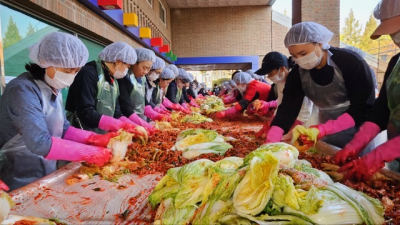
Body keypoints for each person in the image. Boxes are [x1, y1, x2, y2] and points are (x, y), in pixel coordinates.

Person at [0, 32, 114, 191]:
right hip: (17, 177)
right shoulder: (22, 90)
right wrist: (89, 153)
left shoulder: (53, 87)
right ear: (45, 62)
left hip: (46, 173)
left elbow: (64, 128)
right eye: (67, 71)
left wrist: (94, 138)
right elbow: (40, 143)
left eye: (76, 71)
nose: (71, 76)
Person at [265, 22, 375, 149]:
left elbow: (363, 107)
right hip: (324, 128)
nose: (299, 59)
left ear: (320, 43)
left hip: (357, 127)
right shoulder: (298, 74)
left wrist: (326, 128)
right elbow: (288, 108)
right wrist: (273, 137)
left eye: (303, 53)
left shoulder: (351, 62)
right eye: (294, 56)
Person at [335, 0, 400, 181]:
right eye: (393, 33)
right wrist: (357, 143)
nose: (395, 38)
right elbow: (381, 111)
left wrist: (379, 154)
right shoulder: (396, 63)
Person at [65, 42, 147, 137]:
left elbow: (116, 113)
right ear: (118, 62)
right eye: (127, 67)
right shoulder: (88, 73)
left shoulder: (114, 80)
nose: (126, 71)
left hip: (102, 134)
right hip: (81, 133)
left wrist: (132, 126)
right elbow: (85, 112)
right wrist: (120, 125)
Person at [249, 51, 316, 138]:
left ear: (282, 69)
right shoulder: (280, 83)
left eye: (270, 73)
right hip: (292, 119)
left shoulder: (297, 80)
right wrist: (272, 123)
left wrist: (291, 129)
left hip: (307, 120)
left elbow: (305, 111)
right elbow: (282, 104)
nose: (269, 77)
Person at [117, 48, 157, 133]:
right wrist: (140, 124)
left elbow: (144, 100)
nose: (145, 72)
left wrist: (155, 113)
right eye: (144, 68)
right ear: (134, 63)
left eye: (149, 69)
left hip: (139, 120)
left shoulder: (142, 79)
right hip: (126, 122)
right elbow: (124, 106)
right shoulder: (124, 77)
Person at [143, 56, 170, 122]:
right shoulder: (144, 81)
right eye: (157, 73)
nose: (157, 76)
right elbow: (144, 100)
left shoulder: (151, 83)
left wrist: (159, 109)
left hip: (146, 116)